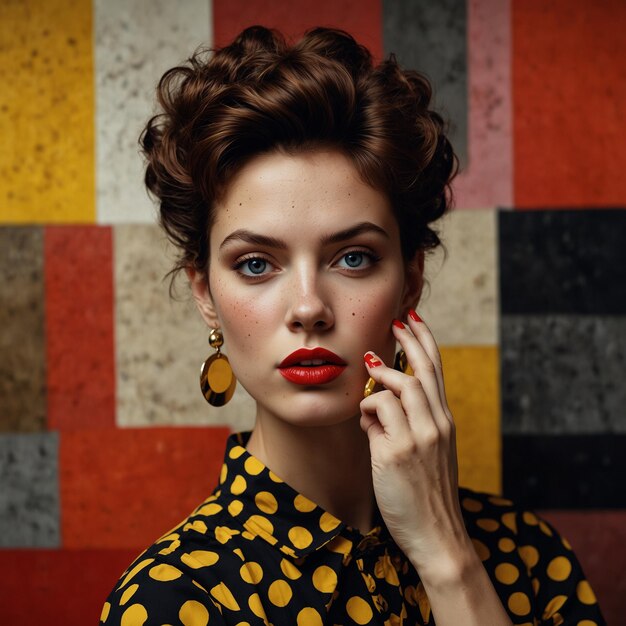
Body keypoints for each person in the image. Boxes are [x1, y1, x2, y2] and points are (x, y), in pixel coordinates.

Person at [100, 26, 605, 626]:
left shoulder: (527, 557)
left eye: (353, 257)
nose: (309, 307)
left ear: (410, 280)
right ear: (206, 294)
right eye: (256, 264)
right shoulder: (173, 601)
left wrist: (448, 561)